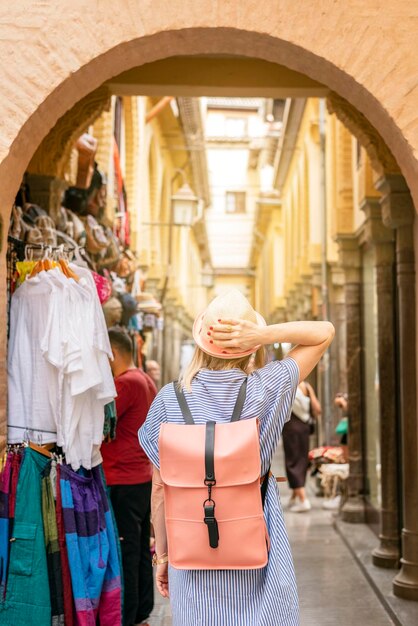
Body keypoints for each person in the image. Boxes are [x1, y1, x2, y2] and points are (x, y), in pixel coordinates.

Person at [139, 289, 334, 626]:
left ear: (201, 341)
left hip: (192, 543)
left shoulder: (169, 398)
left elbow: (160, 488)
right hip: (257, 542)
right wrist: (266, 335)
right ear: (250, 344)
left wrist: (165, 556)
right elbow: (323, 332)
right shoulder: (267, 387)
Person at [101, 327, 156, 626]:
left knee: (127, 550)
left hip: (123, 479)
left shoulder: (125, 384)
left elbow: (101, 424)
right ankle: (141, 613)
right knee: (139, 550)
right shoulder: (145, 380)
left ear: (113, 353)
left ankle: (128, 616)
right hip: (139, 478)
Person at [282, 380, 321, 512]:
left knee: (292, 462)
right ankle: (295, 496)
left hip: (291, 429)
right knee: (302, 460)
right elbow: (318, 409)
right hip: (304, 428)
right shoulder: (307, 386)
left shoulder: (287, 385)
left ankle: (303, 500)